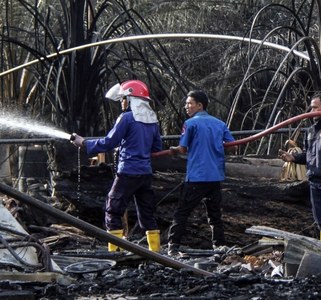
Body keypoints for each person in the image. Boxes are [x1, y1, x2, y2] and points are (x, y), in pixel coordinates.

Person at [70, 80, 163, 252]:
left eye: (123, 98)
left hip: (128, 172)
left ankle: (114, 252)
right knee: (147, 213)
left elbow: (109, 141)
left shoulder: (126, 118)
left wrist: (84, 143)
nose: (121, 102)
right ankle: (156, 254)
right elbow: (157, 147)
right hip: (145, 174)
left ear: (131, 98)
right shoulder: (153, 120)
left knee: (112, 210)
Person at [167, 90, 235, 255]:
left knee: (182, 211)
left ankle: (173, 245)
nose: (186, 107)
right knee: (214, 213)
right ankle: (219, 245)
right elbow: (232, 145)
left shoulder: (190, 124)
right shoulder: (219, 124)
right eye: (186, 103)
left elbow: (182, 149)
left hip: (197, 176)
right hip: (215, 176)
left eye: (189, 103)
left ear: (199, 105)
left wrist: (174, 150)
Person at [279, 93, 321, 245]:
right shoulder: (310, 131)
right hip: (314, 180)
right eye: (311, 108)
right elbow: (310, 155)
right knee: (320, 220)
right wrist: (294, 158)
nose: (312, 110)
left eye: (315, 107)